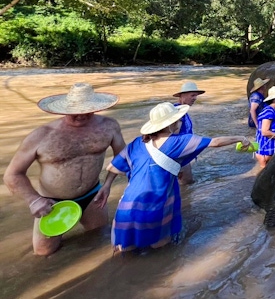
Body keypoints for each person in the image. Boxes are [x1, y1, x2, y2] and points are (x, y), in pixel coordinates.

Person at [104, 102, 250, 252]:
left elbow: (113, 167)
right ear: (171, 124)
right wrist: (240, 137)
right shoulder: (179, 141)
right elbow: (215, 142)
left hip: (127, 206)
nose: (181, 122)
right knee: (161, 250)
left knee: (125, 252)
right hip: (156, 204)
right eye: (179, 120)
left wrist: (106, 187)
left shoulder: (137, 143)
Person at [3, 83, 126, 256]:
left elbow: (123, 158)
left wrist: (107, 185)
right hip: (52, 204)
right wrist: (33, 200)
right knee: (44, 254)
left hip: (93, 196)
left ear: (95, 107)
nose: (80, 115)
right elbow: (12, 175)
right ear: (64, 109)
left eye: (86, 110)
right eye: (75, 110)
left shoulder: (109, 126)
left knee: (98, 238)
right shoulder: (42, 135)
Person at [172, 81, 206, 185]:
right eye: (193, 95)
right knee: (187, 183)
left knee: (185, 185)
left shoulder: (181, 111)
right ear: (182, 96)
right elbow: (173, 137)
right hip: (179, 156)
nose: (195, 98)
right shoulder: (178, 113)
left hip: (183, 155)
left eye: (196, 95)